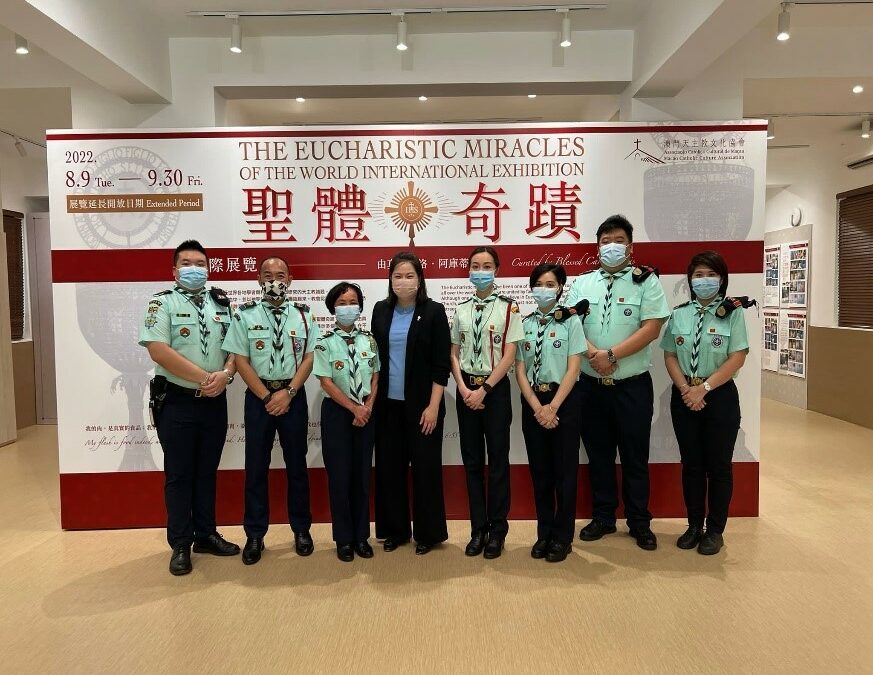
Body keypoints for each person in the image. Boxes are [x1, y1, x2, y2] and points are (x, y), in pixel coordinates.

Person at [566, 215, 669, 551]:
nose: (612, 246)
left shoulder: (646, 282)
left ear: (630, 246)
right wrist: (595, 356)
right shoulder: (582, 283)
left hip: (632, 386)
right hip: (590, 386)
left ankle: (639, 521)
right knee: (598, 455)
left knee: (635, 456)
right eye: (606, 240)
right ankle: (604, 517)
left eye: (618, 240)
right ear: (597, 246)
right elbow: (572, 325)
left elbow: (652, 328)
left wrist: (610, 356)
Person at [139, 239, 240, 576]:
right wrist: (204, 378)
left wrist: (225, 374)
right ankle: (180, 542)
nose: (194, 268)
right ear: (174, 269)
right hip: (178, 401)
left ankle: (206, 534)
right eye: (186, 263)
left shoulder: (221, 303)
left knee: (206, 471)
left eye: (200, 263)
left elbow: (234, 347)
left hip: (215, 401)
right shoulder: (161, 303)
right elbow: (158, 350)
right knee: (180, 474)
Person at [222, 257, 320, 565]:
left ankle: (301, 530)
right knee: (255, 468)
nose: (274, 280)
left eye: (280, 275)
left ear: (290, 279)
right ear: (258, 278)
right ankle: (254, 535)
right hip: (258, 397)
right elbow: (239, 360)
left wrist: (288, 393)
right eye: (267, 275)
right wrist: (267, 397)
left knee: (297, 467)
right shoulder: (245, 315)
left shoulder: (305, 316)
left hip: (292, 397)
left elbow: (308, 359)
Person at [661, 251, 751, 555]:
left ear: (722, 279)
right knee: (692, 465)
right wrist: (687, 389)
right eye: (698, 275)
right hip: (685, 394)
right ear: (690, 280)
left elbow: (738, 355)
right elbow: (670, 354)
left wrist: (706, 388)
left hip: (720, 396)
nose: (704, 280)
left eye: (711, 274)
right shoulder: (679, 313)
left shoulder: (733, 312)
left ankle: (715, 530)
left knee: (719, 466)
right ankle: (693, 525)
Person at [372, 252, 451, 555]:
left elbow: (440, 365)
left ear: (420, 280)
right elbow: (375, 358)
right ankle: (395, 531)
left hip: (423, 407)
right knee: (390, 470)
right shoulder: (380, 311)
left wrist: (433, 407)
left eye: (409, 276)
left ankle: (428, 534)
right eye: (397, 276)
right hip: (388, 406)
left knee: (425, 470)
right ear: (390, 280)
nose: (403, 282)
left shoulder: (434, 311)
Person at [450, 246, 524, 559]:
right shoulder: (461, 308)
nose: (480, 271)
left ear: (497, 270)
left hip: (494, 393)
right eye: (475, 266)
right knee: (472, 463)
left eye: (486, 266)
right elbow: (453, 353)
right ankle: (477, 529)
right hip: (466, 391)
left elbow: (509, 354)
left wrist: (484, 390)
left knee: (497, 462)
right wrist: (465, 389)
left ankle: (498, 529)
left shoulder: (509, 308)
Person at [515, 264, 587, 563]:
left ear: (560, 288)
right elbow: (519, 369)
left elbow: (574, 367)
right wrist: (537, 407)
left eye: (550, 284)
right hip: (533, 402)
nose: (544, 289)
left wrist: (553, 407)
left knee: (564, 474)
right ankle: (543, 533)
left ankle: (562, 537)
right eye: (539, 284)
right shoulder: (524, 323)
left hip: (563, 401)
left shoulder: (571, 321)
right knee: (541, 473)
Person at [313, 282, 380, 562]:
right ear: (332, 307)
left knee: (362, 477)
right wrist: (354, 409)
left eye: (352, 301)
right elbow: (325, 381)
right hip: (338, 414)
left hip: (366, 412)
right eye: (341, 303)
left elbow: (376, 376)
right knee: (339, 478)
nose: (347, 307)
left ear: (360, 306)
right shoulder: (324, 342)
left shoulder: (370, 340)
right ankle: (343, 539)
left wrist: (367, 407)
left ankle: (361, 537)